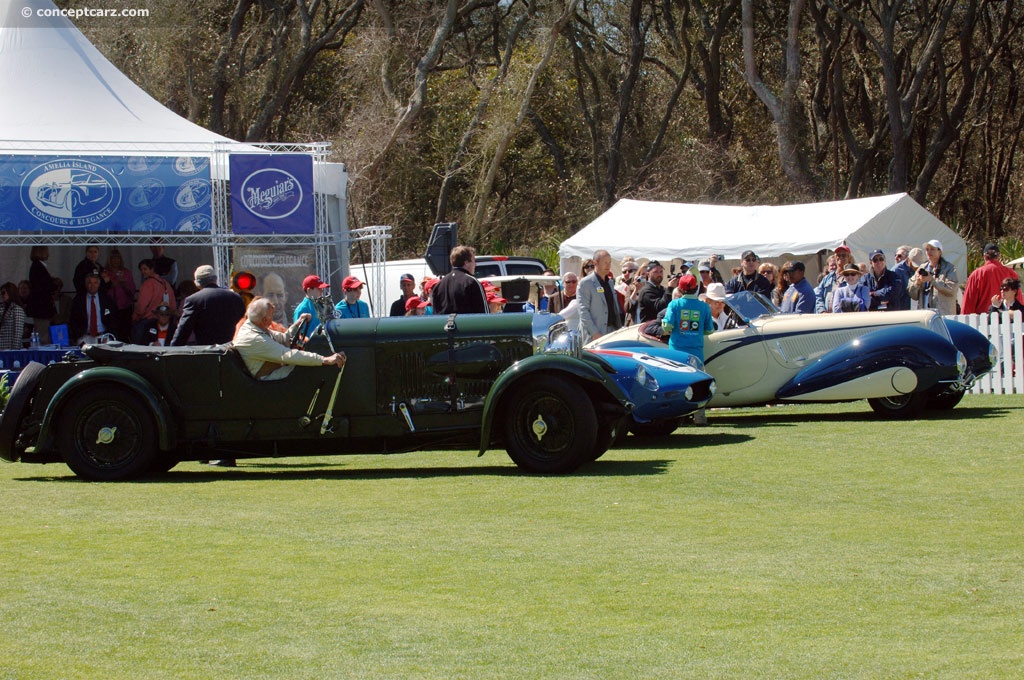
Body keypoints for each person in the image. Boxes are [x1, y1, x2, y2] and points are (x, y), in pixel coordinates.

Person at [232, 297, 346, 381]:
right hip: (266, 377)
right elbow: (287, 355)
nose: (273, 318)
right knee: (309, 370)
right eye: (272, 315)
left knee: (309, 363)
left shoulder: (254, 326)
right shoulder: (254, 337)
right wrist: (325, 360)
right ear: (265, 320)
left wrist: (297, 324)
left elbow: (283, 338)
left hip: (272, 369)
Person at [663, 274, 714, 426]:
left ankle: (677, 417)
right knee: (699, 383)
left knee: (676, 384)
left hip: (676, 351)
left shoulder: (675, 304)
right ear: (696, 288)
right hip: (696, 351)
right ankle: (700, 417)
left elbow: (667, 326)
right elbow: (709, 330)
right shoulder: (704, 306)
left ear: (680, 288)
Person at [171, 265, 246, 346]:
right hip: (231, 350)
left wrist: (172, 350)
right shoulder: (235, 297)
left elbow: (183, 331)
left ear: (197, 283)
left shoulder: (194, 300)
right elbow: (244, 323)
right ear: (215, 279)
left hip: (207, 352)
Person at [577, 249, 622, 344]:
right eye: (605, 262)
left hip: (612, 332)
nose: (608, 265)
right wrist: (595, 333)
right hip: (595, 335)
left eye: (609, 262)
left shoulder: (610, 282)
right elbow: (583, 311)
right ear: (595, 263)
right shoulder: (585, 283)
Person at [962, 243, 1021, 314]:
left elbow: (969, 302)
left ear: (984, 256)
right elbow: (1019, 298)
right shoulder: (1011, 273)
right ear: (999, 256)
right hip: (1008, 318)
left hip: (983, 319)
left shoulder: (977, 274)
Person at [432, 245, 488, 315]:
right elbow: (484, 315)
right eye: (474, 261)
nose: (475, 264)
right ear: (466, 262)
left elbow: (436, 316)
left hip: (444, 325)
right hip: (468, 325)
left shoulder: (439, 285)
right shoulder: (472, 282)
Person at [908, 239, 958, 316]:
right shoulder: (922, 268)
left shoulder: (949, 268)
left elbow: (951, 289)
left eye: (932, 249)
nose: (929, 252)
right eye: (927, 249)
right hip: (924, 315)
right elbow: (912, 294)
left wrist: (932, 280)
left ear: (940, 252)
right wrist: (917, 283)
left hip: (944, 315)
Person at [132, 259, 177, 344]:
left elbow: (141, 305)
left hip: (147, 321)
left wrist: (136, 317)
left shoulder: (147, 284)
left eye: (145, 269)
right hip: (165, 321)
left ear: (152, 269)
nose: (143, 272)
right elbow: (172, 303)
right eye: (141, 270)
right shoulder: (165, 283)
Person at [68, 273, 116, 345]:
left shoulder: (106, 299)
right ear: (86, 284)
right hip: (85, 337)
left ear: (99, 285)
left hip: (103, 336)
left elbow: (113, 318)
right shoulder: (79, 300)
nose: (92, 286)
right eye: (90, 283)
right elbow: (73, 319)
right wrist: (77, 336)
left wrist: (110, 335)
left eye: (95, 283)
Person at [25, 245, 58, 345]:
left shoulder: (37, 266)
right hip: (41, 309)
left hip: (42, 309)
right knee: (43, 336)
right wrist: (53, 284)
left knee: (45, 334)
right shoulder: (38, 267)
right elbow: (44, 286)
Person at [104, 249, 136, 341]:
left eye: (118, 258)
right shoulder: (105, 272)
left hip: (124, 308)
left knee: (124, 333)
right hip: (109, 307)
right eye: (113, 258)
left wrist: (125, 286)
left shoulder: (126, 273)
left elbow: (132, 293)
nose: (115, 260)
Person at [814, 244, 855, 313]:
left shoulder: (853, 276)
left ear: (849, 258)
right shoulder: (828, 277)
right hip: (826, 317)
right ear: (835, 258)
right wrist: (822, 311)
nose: (840, 257)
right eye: (838, 255)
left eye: (843, 255)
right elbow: (818, 294)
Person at [0, 282, 26, 350]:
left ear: (10, 293)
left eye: (3, 293)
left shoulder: (17, 309)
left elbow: (18, 333)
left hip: (10, 347)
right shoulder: (2, 308)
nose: (1, 295)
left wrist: (14, 350)